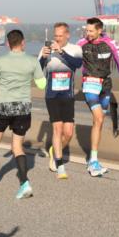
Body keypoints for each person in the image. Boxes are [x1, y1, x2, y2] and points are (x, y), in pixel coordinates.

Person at [0, 29, 46, 199]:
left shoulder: (0, 60)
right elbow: (42, 84)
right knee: (17, 147)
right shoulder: (32, 61)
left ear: (8, 44)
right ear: (23, 43)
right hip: (23, 109)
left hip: (4, 107)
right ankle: (24, 184)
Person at [78, 17, 119, 176]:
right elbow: (69, 58)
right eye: (86, 30)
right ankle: (93, 162)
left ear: (99, 30)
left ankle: (92, 159)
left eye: (90, 31)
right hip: (89, 83)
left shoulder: (110, 43)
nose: (87, 34)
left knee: (98, 122)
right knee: (100, 118)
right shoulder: (81, 43)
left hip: (105, 86)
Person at [39, 22, 84, 180]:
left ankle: (54, 150)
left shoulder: (75, 49)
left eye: (60, 36)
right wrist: (43, 58)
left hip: (68, 95)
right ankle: (60, 164)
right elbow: (39, 69)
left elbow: (77, 64)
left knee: (68, 133)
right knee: (57, 130)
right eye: (55, 36)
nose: (56, 39)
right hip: (52, 95)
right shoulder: (47, 49)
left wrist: (61, 52)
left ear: (67, 35)